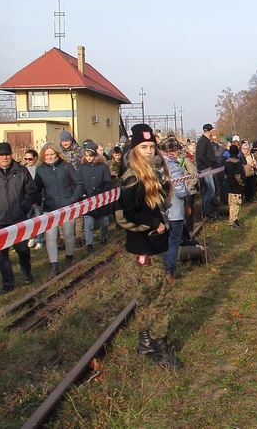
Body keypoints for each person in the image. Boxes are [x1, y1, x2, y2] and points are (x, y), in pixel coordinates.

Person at [116, 123, 182, 369]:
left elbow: (156, 204)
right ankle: (159, 347)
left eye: (152, 147)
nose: (148, 151)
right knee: (161, 297)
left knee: (148, 294)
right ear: (134, 149)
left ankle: (145, 341)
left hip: (155, 244)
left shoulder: (154, 172)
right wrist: (154, 224)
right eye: (143, 147)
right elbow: (125, 214)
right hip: (145, 245)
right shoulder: (133, 178)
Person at [34, 142, 84, 278]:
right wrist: (41, 201)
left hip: (67, 207)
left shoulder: (67, 166)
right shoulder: (40, 170)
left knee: (68, 234)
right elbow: (36, 189)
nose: (49, 157)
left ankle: (69, 258)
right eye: (47, 155)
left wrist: (73, 199)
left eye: (52, 154)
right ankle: (54, 266)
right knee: (50, 237)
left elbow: (79, 184)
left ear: (57, 154)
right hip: (49, 208)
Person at [0, 142, 41, 293]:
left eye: (7, 154)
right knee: (1, 254)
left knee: (22, 250)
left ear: (11, 155)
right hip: (0, 221)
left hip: (18, 219)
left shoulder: (21, 171)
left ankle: (27, 273)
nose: (5, 157)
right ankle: (8, 283)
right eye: (1, 155)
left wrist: (24, 206)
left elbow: (32, 191)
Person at [159, 137, 189, 281]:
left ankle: (161, 269)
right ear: (173, 152)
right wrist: (187, 191)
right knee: (173, 241)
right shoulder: (174, 166)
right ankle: (169, 271)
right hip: (174, 209)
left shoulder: (156, 164)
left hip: (160, 210)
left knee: (163, 241)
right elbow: (180, 190)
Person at [79, 142, 113, 254]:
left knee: (104, 222)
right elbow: (79, 182)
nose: (88, 158)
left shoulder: (103, 167)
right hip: (88, 200)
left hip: (101, 200)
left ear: (95, 155)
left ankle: (103, 238)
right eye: (86, 156)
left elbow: (108, 182)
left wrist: (102, 194)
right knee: (88, 224)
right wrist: (83, 193)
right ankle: (89, 244)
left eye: (91, 156)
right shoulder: (82, 168)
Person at [60, 130, 84, 247]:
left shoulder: (79, 150)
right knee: (62, 211)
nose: (65, 143)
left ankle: (79, 237)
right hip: (63, 184)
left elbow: (83, 164)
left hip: (77, 182)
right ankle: (63, 238)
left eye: (67, 140)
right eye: (63, 141)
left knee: (78, 212)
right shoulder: (58, 152)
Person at [195, 123, 219, 219]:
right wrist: (209, 163)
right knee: (211, 189)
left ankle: (206, 208)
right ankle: (206, 210)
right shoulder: (203, 141)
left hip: (206, 167)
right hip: (205, 168)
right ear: (210, 131)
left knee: (207, 190)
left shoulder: (204, 140)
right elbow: (200, 155)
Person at [23, 149, 44, 249]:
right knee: (28, 220)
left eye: (30, 159)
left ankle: (40, 240)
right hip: (27, 199)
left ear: (35, 158)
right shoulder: (23, 170)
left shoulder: (40, 169)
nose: (27, 161)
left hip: (38, 199)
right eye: (26, 159)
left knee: (38, 219)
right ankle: (32, 237)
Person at [178, 149, 199, 244]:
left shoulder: (185, 160)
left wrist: (189, 187)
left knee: (188, 213)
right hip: (177, 192)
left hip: (189, 191)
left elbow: (194, 174)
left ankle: (190, 231)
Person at [223, 145, 246, 228]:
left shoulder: (226, 162)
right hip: (236, 187)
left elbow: (225, 174)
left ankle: (233, 219)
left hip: (229, 186)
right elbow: (239, 175)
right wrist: (242, 183)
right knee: (236, 205)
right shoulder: (237, 162)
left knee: (231, 204)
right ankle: (233, 221)